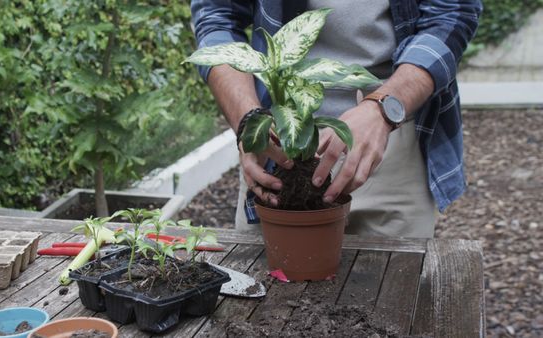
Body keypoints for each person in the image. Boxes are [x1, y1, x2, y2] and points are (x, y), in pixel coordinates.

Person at [190, 1, 482, 238]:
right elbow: (218, 17)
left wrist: (383, 109)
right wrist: (249, 121)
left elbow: (450, 16)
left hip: (390, 141)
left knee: (392, 294)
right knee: (266, 298)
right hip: (276, 145)